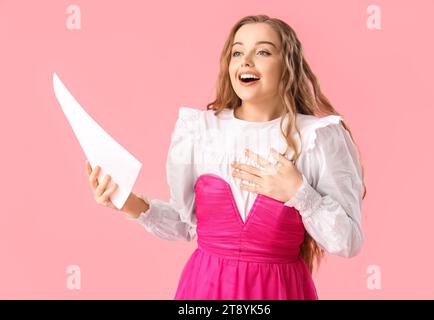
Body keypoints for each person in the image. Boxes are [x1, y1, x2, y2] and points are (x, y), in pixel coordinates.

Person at [86, 14, 367, 300]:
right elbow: (185, 225)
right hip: (204, 290)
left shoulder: (317, 137)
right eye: (237, 52)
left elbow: (347, 242)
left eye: (263, 51)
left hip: (280, 292)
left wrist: (299, 192)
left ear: (287, 67)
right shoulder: (200, 131)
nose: (246, 61)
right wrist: (127, 202)